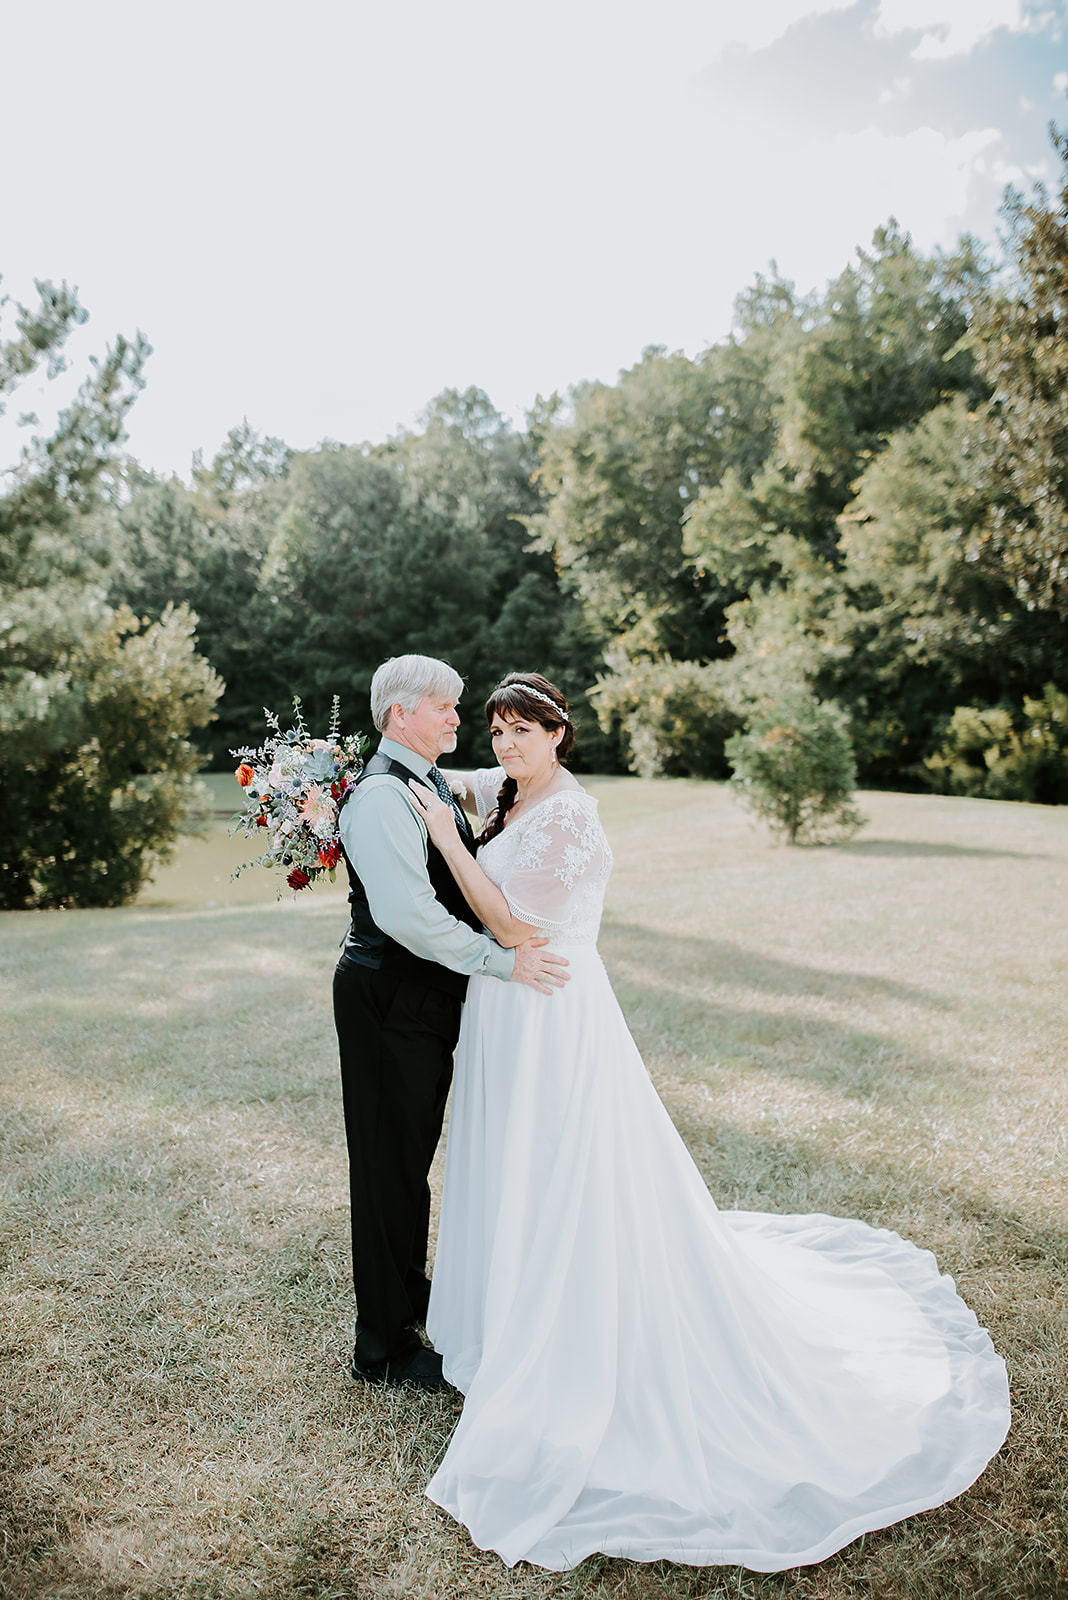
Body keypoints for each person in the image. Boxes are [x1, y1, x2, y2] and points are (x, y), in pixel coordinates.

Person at [403, 670, 1012, 1572]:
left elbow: (517, 924)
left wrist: (450, 849)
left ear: (559, 734)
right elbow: (440, 781)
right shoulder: (510, 790)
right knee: (511, 1163)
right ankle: (506, 1309)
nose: (504, 744)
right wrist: (370, 771)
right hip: (504, 1017)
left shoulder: (571, 816)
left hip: (551, 1011)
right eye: (494, 731)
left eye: (522, 730)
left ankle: (566, 1326)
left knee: (565, 1166)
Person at [333, 655, 569, 1392]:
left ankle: (409, 1304)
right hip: (388, 999)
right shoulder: (380, 799)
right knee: (385, 1171)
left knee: (409, 1166)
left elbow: (509, 777)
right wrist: (500, 963)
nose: (458, 721)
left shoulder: (429, 780)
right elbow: (409, 918)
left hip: (425, 1004)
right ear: (401, 713)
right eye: (446, 707)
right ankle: (382, 1349)